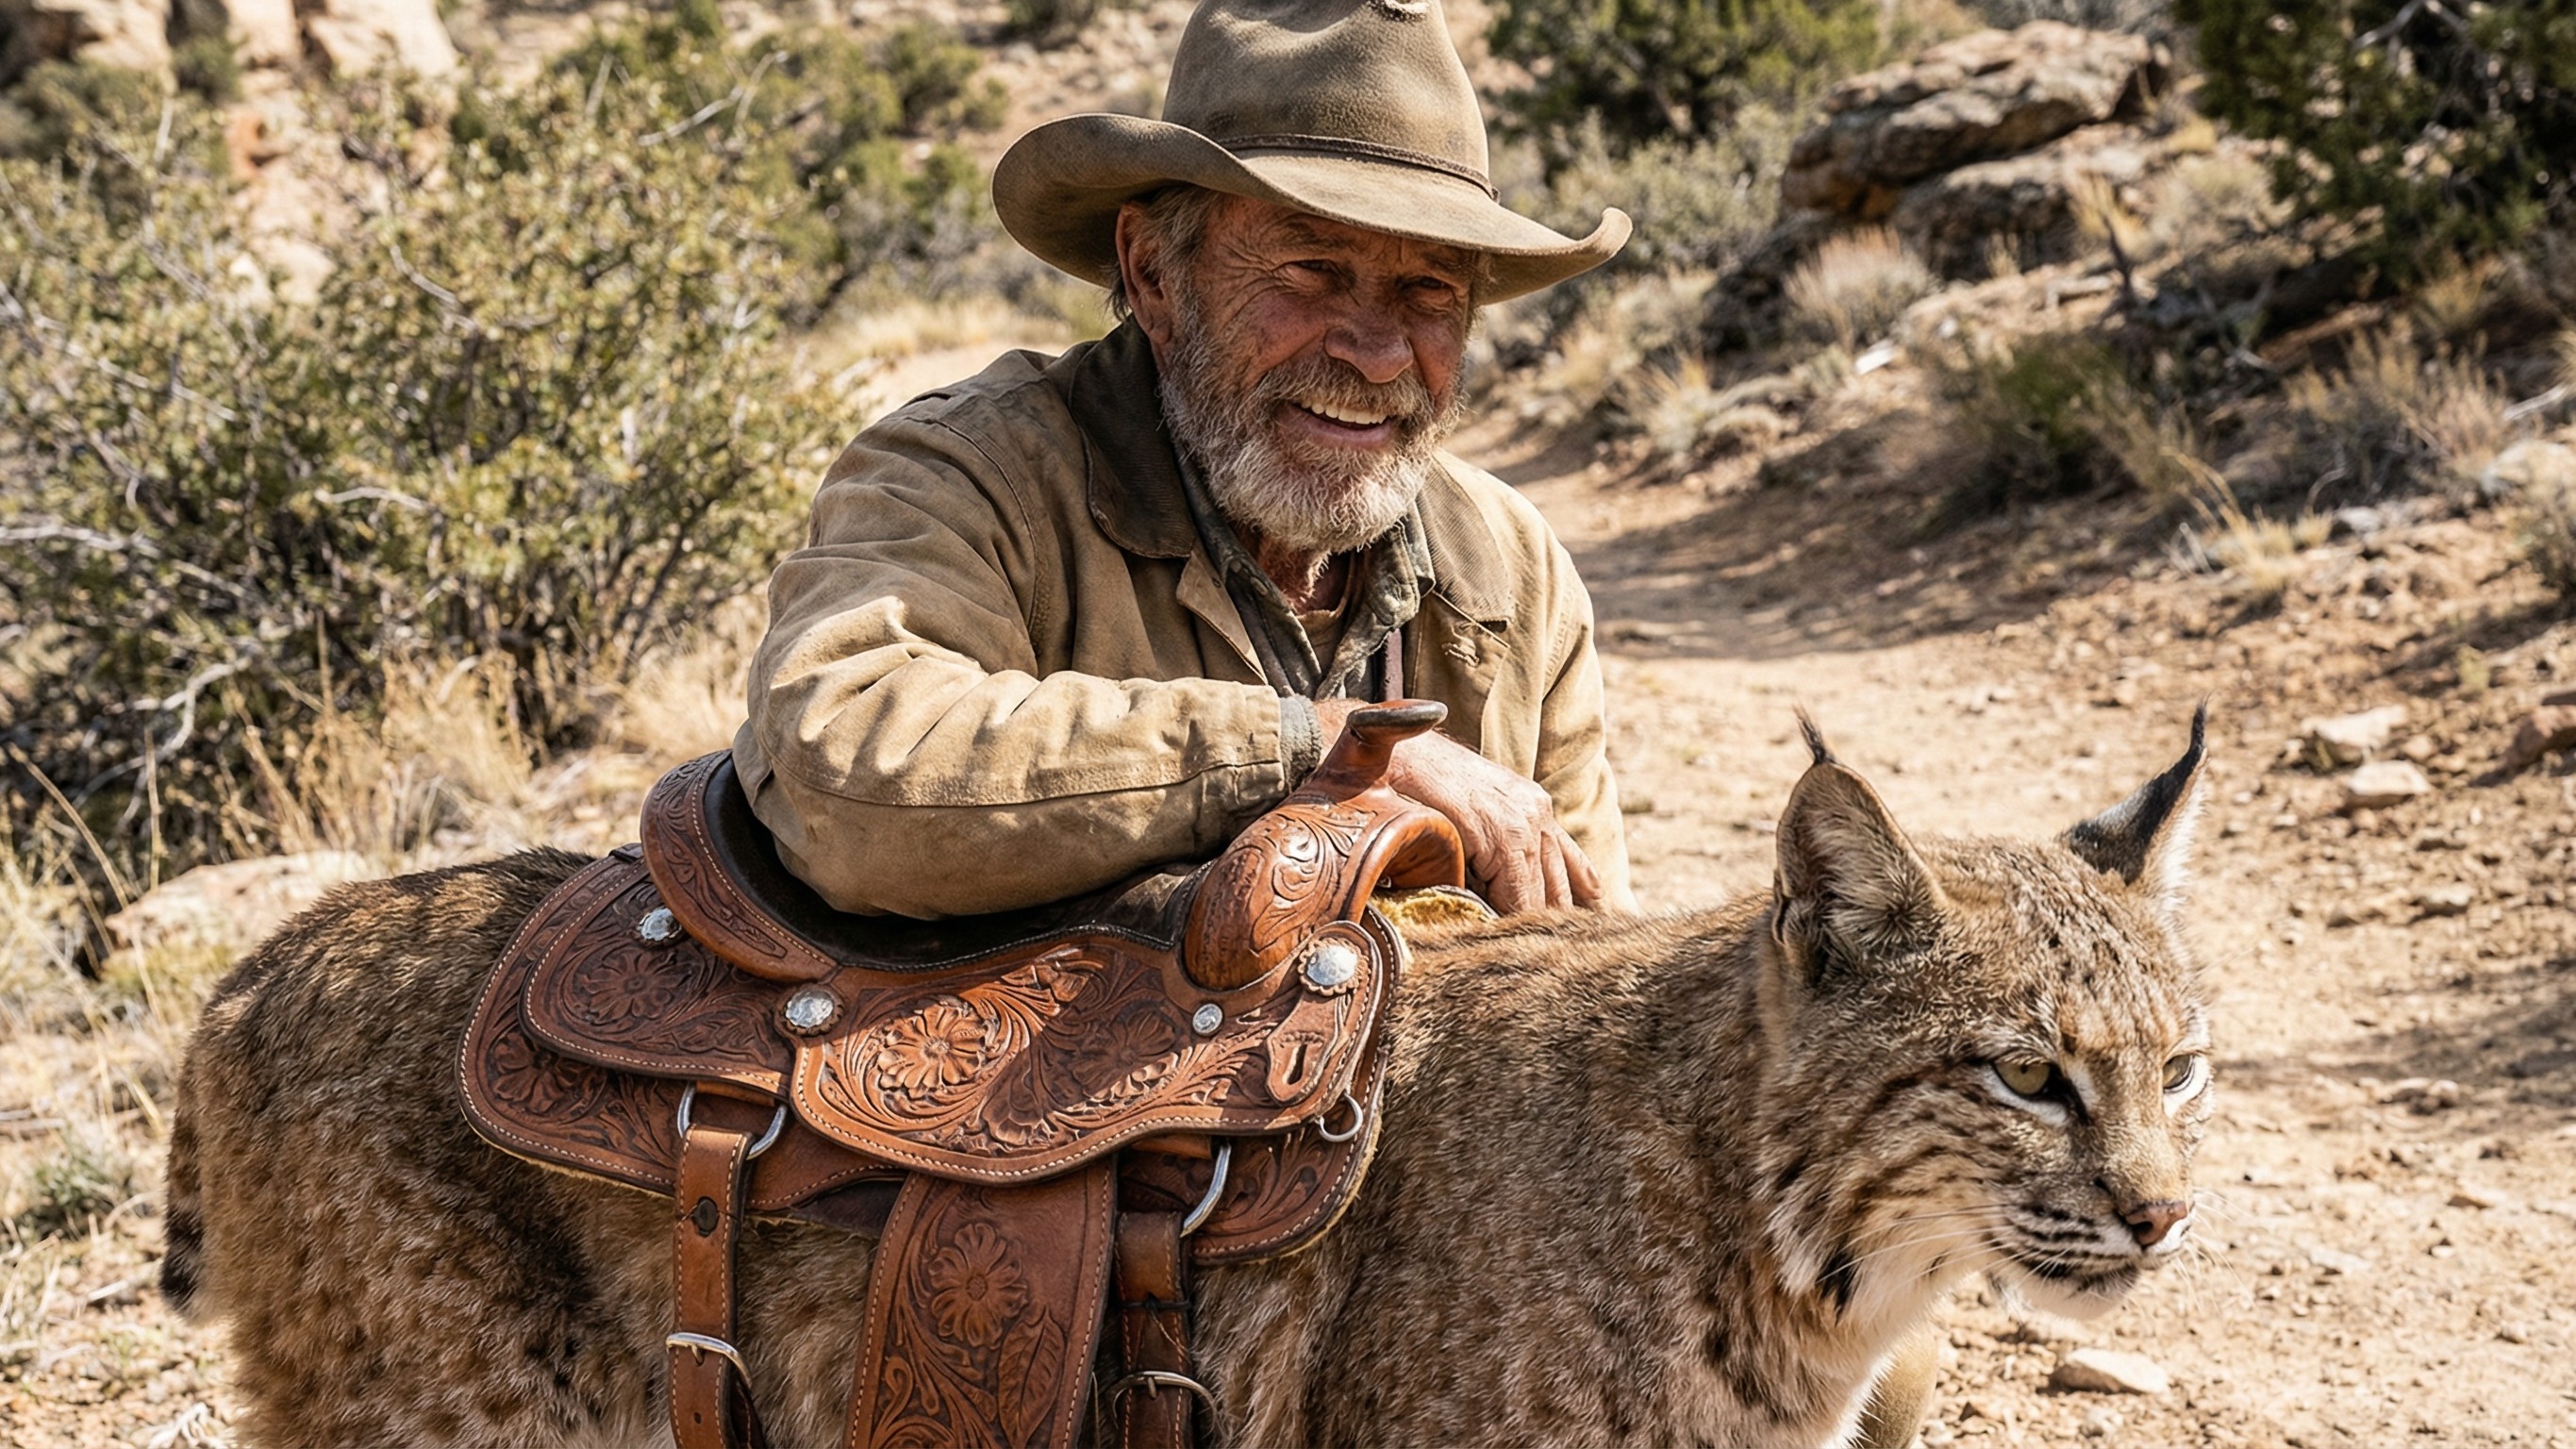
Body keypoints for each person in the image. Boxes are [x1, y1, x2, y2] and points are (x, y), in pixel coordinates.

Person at [733, 0, 1637, 921]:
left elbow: (1592, 947)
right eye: (1309, 269)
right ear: (1153, 274)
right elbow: (842, 775)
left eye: (1428, 289)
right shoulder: (963, 476)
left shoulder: (1512, 573)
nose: (1377, 352)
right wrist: (1305, 749)